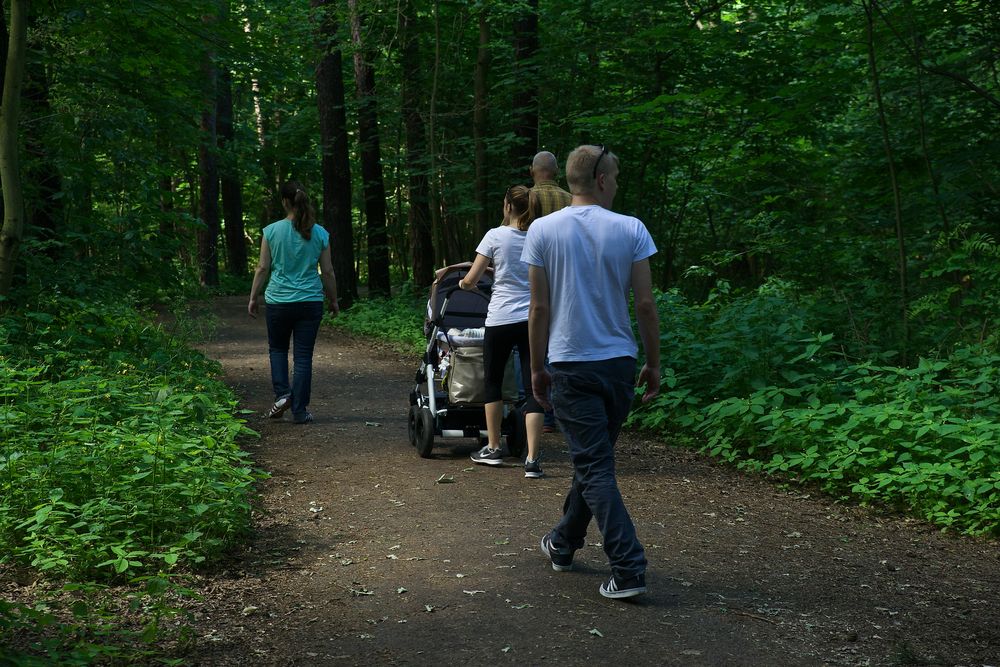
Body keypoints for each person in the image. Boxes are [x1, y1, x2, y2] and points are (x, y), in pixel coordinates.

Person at [522, 145, 661, 599]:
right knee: (594, 462)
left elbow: (538, 307)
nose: (618, 184)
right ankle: (564, 542)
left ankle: (628, 567)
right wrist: (654, 363)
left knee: (594, 465)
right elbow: (644, 304)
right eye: (616, 176)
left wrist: (537, 366)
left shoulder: (542, 229)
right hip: (618, 365)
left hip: (569, 362)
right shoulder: (631, 229)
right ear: (601, 180)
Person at [458, 185, 546, 478]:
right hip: (532, 319)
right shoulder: (539, 237)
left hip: (500, 318)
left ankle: (493, 448)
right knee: (534, 386)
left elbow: (471, 279)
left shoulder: (494, 236)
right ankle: (533, 459)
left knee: (493, 381)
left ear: (508, 206)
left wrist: (463, 285)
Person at [248, 181, 339, 424]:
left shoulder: (272, 231)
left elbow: (263, 267)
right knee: (303, 357)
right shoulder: (319, 232)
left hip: (278, 301)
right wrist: (333, 300)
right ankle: (299, 410)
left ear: (284, 202)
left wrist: (253, 297)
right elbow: (328, 271)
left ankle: (283, 395)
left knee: (277, 350)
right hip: (310, 301)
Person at [528, 151, 572, 434]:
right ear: (556, 171)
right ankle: (558, 412)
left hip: (531, 276)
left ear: (533, 170)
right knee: (558, 343)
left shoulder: (526, 198)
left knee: (532, 341)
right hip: (564, 278)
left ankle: (537, 409)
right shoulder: (570, 199)